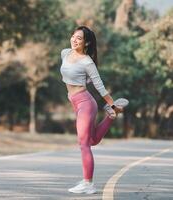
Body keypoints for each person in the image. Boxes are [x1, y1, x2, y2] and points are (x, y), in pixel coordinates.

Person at [60, 25, 129, 194]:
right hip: (75, 103)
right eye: (74, 36)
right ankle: (111, 117)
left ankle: (88, 183)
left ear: (87, 43)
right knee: (91, 140)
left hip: (86, 103)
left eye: (79, 38)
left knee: (84, 144)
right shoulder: (65, 53)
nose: (75, 40)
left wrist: (112, 103)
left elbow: (100, 87)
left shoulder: (87, 62)